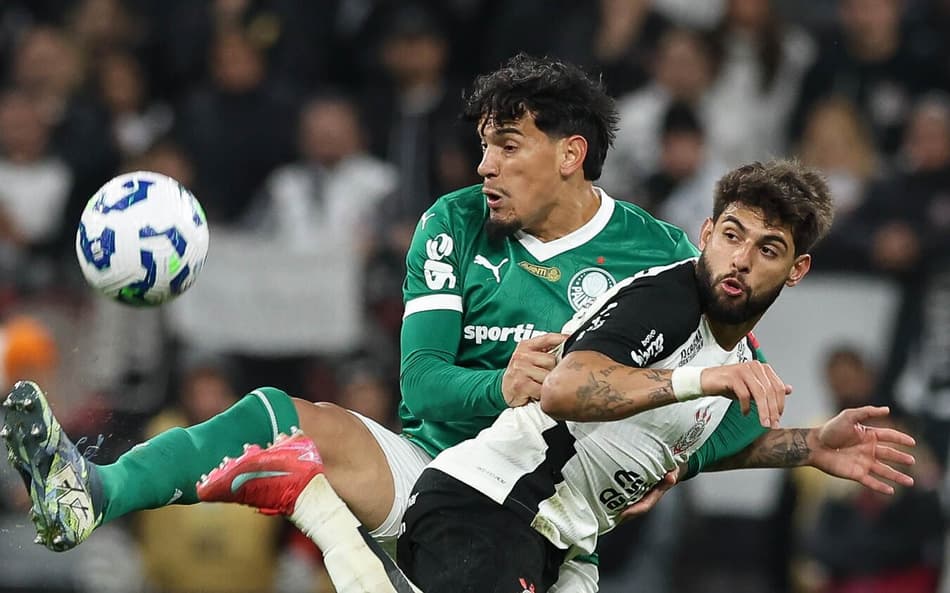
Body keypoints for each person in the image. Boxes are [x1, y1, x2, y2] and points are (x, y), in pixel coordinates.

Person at [0, 54, 787, 592]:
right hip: (431, 473)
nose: (484, 166)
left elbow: (724, 402)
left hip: (533, 522)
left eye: (508, 146)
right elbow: (424, 389)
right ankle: (93, 491)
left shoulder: (664, 258)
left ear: (571, 153)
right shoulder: (453, 222)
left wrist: (665, 464)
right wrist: (503, 387)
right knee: (279, 415)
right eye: (483, 146)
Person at [195, 160, 918, 593]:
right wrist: (698, 386)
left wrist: (809, 444)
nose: (740, 259)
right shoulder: (667, 300)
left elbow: (707, 447)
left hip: (558, 542)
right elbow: (567, 388)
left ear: (796, 271)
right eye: (731, 234)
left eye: (766, 249)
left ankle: (322, 512)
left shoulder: (735, 361)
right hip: (487, 506)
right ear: (705, 232)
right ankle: (321, 512)